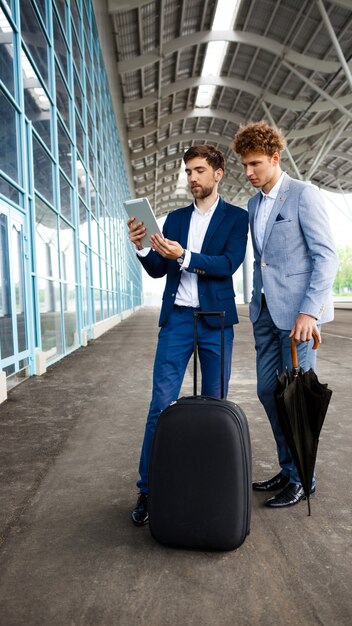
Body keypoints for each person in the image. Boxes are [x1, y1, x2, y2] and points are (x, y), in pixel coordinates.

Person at [127, 144, 249, 526]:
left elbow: (228, 264)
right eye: (188, 172)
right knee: (159, 406)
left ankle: (210, 486)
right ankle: (148, 489)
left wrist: (185, 256)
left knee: (215, 407)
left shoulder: (236, 218)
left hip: (215, 319)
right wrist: (142, 249)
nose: (192, 178)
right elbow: (159, 271)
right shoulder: (176, 218)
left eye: (199, 171)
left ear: (218, 173)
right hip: (178, 320)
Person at [231, 121, 338, 508]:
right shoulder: (253, 204)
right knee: (268, 390)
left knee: (297, 397)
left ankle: (301, 478)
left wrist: (310, 311)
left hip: (298, 317)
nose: (248, 172)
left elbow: (327, 258)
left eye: (255, 163)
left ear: (276, 159)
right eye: (244, 165)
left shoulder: (302, 195)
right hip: (264, 311)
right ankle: (288, 467)